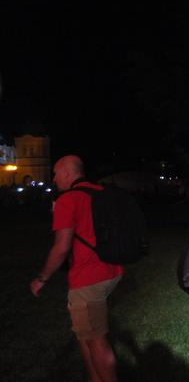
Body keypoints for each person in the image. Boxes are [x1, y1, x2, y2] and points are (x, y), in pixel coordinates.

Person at [30, 156, 123, 382]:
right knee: (85, 335)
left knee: (96, 339)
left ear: (68, 174)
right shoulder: (101, 192)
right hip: (113, 270)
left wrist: (42, 278)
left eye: (55, 173)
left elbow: (61, 248)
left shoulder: (68, 200)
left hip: (88, 278)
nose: (53, 178)